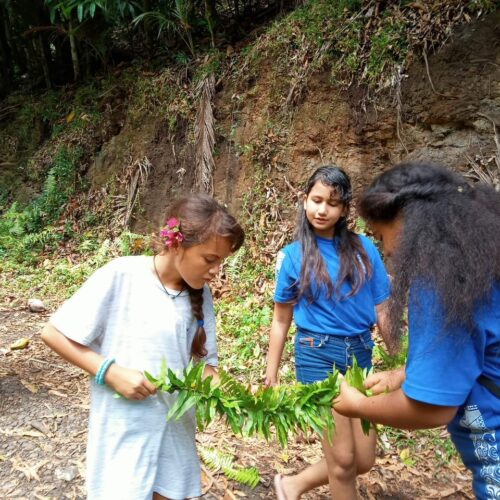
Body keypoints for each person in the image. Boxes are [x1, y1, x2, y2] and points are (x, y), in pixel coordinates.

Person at [41, 194, 244, 500]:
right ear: (176, 243)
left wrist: (246, 397)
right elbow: (53, 333)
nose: (217, 270)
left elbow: (206, 371)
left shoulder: (201, 296)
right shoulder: (121, 275)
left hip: (174, 432)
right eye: (210, 259)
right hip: (124, 429)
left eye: (222, 261)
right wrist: (110, 372)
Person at [335, 162, 500, 500]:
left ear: (412, 220)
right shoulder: (480, 258)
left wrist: (357, 406)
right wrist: (402, 374)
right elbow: (477, 351)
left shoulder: (440, 278)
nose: (388, 251)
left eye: (383, 236)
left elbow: (430, 408)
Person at [265, 166, 393, 500]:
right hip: (316, 354)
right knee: (342, 461)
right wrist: (271, 374)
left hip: (360, 356)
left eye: (332, 203)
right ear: (304, 200)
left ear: (345, 209)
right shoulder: (294, 257)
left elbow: (382, 307)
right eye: (316, 200)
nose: (322, 210)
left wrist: (400, 358)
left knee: (363, 459)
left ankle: (292, 484)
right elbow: (281, 319)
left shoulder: (365, 249)